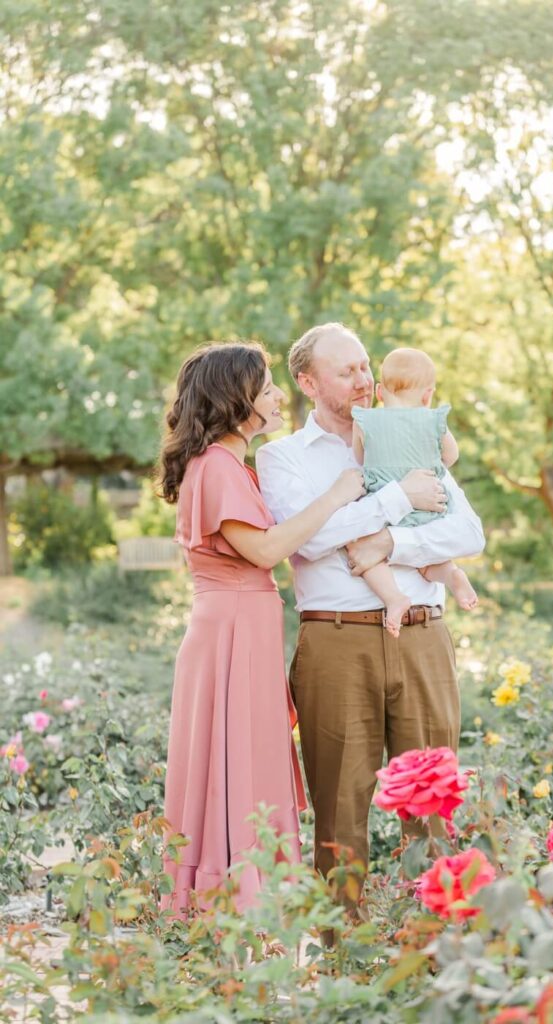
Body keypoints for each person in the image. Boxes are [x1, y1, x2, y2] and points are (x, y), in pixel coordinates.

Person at [256, 323, 485, 894]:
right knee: (340, 813)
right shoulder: (281, 458)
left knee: (433, 806)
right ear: (308, 382)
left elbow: (468, 532)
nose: (364, 380)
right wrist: (398, 498)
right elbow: (308, 540)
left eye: (365, 366)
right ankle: (344, 960)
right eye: (346, 371)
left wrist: (394, 544)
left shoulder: (412, 434)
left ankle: (434, 948)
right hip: (336, 642)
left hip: (422, 634)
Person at [157, 341, 365, 914]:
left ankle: (237, 899)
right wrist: (337, 495)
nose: (276, 396)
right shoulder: (219, 468)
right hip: (232, 634)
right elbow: (267, 549)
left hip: (238, 628)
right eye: (267, 386)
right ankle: (238, 900)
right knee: (238, 763)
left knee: (238, 761)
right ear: (236, 397)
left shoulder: (225, 466)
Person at [351, 346, 478, 637]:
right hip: (429, 502)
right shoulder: (434, 420)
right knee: (432, 559)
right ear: (427, 394)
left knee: (366, 552)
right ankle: (452, 575)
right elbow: (451, 455)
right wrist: (433, 466)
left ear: (380, 392)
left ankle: (394, 598)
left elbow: (360, 458)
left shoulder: (365, 420)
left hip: (385, 505)